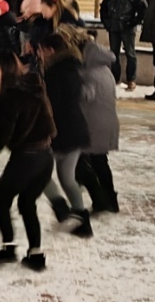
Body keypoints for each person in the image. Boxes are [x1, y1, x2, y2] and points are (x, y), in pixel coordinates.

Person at [0, 50, 55, 272]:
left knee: (2, 198)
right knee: (27, 202)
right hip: (46, 156)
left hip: (27, 158)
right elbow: (49, 122)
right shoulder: (35, 85)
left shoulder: (10, 97)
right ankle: (36, 254)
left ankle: (9, 249)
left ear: (6, 71)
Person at [35, 32, 95, 238]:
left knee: (39, 173)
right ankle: (82, 221)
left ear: (50, 50)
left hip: (60, 131)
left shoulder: (55, 72)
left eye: (41, 51)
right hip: (75, 130)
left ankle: (64, 212)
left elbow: (51, 105)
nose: (39, 55)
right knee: (67, 178)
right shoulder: (73, 67)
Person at [71, 25, 122, 215]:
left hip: (94, 125)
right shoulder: (103, 67)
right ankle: (108, 199)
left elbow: (86, 95)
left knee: (89, 161)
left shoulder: (88, 72)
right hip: (102, 123)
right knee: (98, 161)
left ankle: (104, 200)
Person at [99, 0, 148, 90]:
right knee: (113, 53)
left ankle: (131, 79)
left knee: (130, 54)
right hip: (113, 27)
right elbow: (103, 8)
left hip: (128, 29)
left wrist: (133, 22)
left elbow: (143, 11)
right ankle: (115, 78)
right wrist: (106, 22)